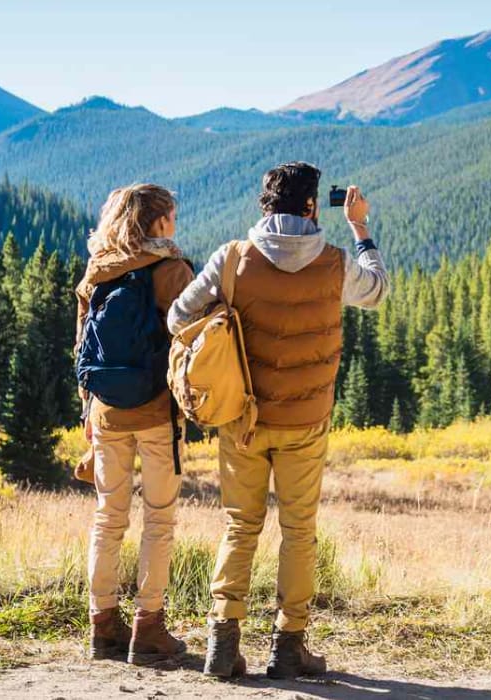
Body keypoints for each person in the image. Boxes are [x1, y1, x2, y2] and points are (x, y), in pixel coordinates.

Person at [167, 162, 390, 679]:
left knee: (240, 525)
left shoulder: (231, 258)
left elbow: (179, 317)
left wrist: (225, 320)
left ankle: (223, 645)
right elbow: (377, 291)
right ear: (313, 207)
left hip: (242, 416)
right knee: (298, 530)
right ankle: (288, 646)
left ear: (264, 205)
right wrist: (360, 228)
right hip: (305, 421)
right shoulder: (335, 263)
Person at [74, 184, 194, 665]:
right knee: (158, 519)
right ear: (159, 222)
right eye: (173, 217)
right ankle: (149, 628)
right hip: (156, 410)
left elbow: (82, 346)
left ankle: (103, 626)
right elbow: (193, 344)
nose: (175, 225)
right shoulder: (172, 270)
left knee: (108, 518)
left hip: (105, 410)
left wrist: (87, 409)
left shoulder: (98, 272)